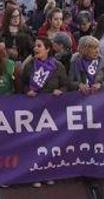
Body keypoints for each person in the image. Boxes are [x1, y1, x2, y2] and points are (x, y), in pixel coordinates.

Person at [20, 38, 68, 188]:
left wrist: (61, 90)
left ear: (47, 49)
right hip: (34, 110)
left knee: (50, 141)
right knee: (35, 142)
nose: (35, 48)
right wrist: (27, 90)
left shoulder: (58, 66)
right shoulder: (29, 65)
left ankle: (48, 173)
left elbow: (66, 84)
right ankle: (35, 173)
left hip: (52, 111)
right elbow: (22, 83)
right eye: (35, 46)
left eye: (39, 46)